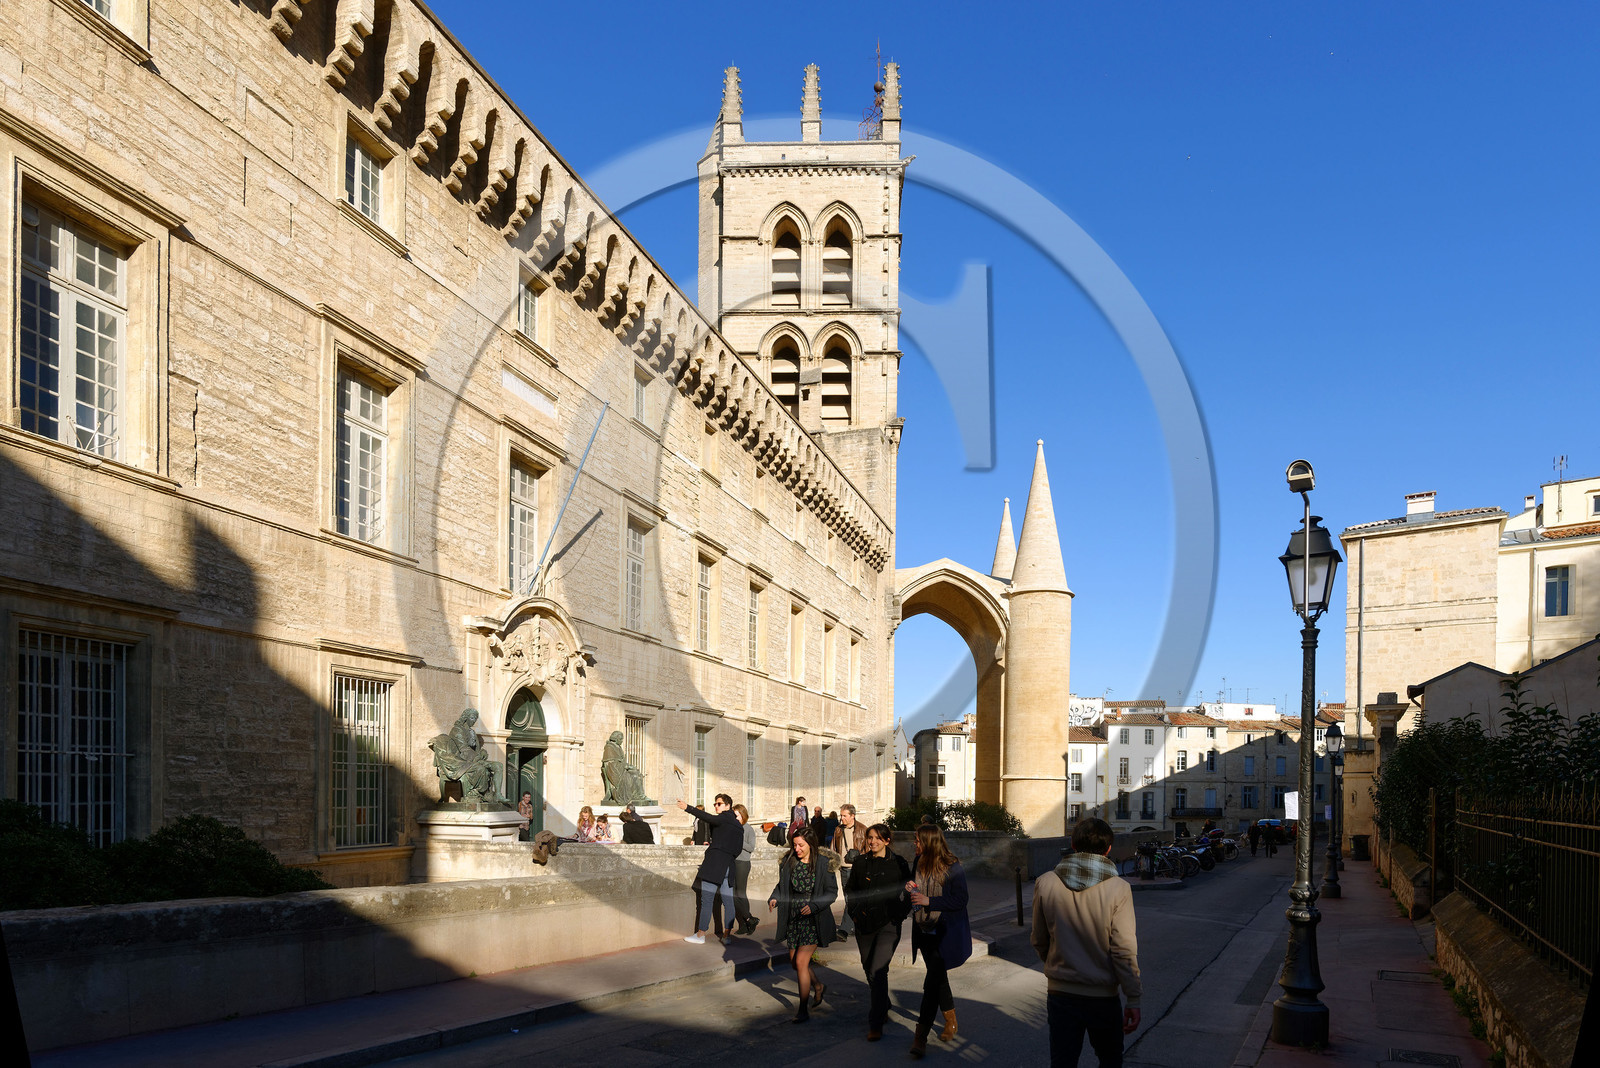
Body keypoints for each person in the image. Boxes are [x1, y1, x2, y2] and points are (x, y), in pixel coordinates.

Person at [1031, 818, 1142, 1067]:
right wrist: (1133, 998)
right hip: (1102, 996)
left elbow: (1039, 939)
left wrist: (1058, 960)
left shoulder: (1046, 882)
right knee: (1110, 1060)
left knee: (1063, 1062)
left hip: (1060, 993)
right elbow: (1124, 951)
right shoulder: (1119, 888)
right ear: (1109, 849)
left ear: (1071, 843)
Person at [906, 823, 971, 1058]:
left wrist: (929, 901)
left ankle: (920, 1037)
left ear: (930, 842)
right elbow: (916, 892)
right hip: (923, 931)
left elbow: (960, 900)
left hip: (943, 933)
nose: (915, 844)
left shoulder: (952, 866)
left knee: (931, 984)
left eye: (918, 840)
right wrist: (910, 888)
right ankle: (951, 1021)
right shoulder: (918, 862)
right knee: (938, 978)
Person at [844, 822, 912, 1042]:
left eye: (876, 838)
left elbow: (910, 891)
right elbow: (851, 890)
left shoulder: (898, 863)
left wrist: (900, 913)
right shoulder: (860, 862)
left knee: (878, 969)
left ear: (886, 840)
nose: (872, 842)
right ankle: (883, 1003)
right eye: (869, 838)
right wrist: (854, 912)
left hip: (888, 925)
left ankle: (876, 1022)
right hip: (864, 924)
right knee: (868, 967)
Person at [768, 828, 838, 1024]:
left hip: (814, 919)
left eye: (801, 845)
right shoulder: (790, 861)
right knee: (795, 963)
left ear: (811, 844)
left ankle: (802, 1009)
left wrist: (814, 906)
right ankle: (818, 986)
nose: (796, 849)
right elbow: (781, 885)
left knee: (801, 962)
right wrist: (774, 897)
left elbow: (832, 893)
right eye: (794, 845)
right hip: (794, 917)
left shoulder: (823, 864)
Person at [678, 794, 742, 944]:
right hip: (729, 866)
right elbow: (738, 850)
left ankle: (700, 935)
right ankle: (727, 936)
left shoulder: (724, 818)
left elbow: (708, 817)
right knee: (728, 902)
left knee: (706, 901)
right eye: (715, 804)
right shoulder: (738, 826)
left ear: (728, 806)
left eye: (718, 804)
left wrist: (688, 808)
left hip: (715, 864)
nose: (716, 806)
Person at [832, 804, 868, 940]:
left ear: (852, 816)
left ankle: (844, 930)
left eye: (844, 816)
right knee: (851, 898)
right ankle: (856, 925)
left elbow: (868, 849)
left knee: (851, 898)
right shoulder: (838, 830)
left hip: (856, 869)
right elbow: (834, 848)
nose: (842, 818)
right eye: (841, 815)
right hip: (843, 869)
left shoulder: (862, 829)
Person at [731, 803, 760, 936]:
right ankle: (747, 922)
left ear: (742, 815)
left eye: (736, 815)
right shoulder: (733, 828)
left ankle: (749, 920)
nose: (735, 818)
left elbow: (751, 847)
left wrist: (738, 839)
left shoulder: (748, 829)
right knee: (735, 894)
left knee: (739, 893)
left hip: (743, 863)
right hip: (733, 862)